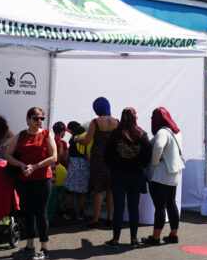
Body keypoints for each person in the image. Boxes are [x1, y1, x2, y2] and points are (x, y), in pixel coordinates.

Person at [4, 107, 57, 260]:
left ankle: (44, 248)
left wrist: (35, 166)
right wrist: (21, 165)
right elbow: (7, 155)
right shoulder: (20, 135)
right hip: (23, 180)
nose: (39, 121)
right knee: (27, 212)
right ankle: (29, 246)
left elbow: (54, 157)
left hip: (42, 179)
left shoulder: (47, 135)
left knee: (41, 213)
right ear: (27, 119)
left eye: (42, 118)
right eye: (36, 118)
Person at [104, 107, 151, 248]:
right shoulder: (142, 134)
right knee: (133, 207)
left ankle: (115, 240)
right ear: (135, 117)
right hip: (135, 175)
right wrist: (139, 166)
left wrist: (114, 167)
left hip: (118, 174)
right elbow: (147, 156)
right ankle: (133, 239)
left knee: (118, 207)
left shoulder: (115, 134)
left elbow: (106, 155)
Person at [142, 107, 184, 246]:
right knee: (171, 203)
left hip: (161, 174)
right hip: (174, 172)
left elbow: (159, 146)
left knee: (160, 206)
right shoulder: (176, 130)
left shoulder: (162, 132)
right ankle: (173, 235)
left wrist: (154, 162)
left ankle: (155, 237)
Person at [76, 97, 119, 228]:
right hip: (113, 157)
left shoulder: (95, 122)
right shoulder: (117, 121)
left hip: (99, 158)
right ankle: (110, 218)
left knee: (98, 190)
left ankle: (95, 219)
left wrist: (77, 139)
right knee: (111, 189)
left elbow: (86, 141)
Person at [63, 123, 89, 220]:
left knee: (70, 193)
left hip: (72, 170)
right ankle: (81, 214)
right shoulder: (85, 144)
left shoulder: (72, 144)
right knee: (81, 194)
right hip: (83, 170)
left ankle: (68, 213)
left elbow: (66, 158)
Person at [47, 121, 69, 221]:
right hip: (60, 170)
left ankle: (53, 212)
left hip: (50, 170)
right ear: (62, 132)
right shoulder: (62, 143)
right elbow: (63, 158)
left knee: (52, 194)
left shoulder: (49, 140)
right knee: (61, 194)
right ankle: (62, 212)